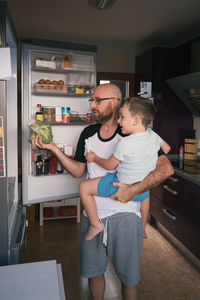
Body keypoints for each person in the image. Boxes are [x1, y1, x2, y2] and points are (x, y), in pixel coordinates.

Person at [32, 83, 174, 300]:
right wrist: (52, 148)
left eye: (98, 100)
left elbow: (165, 168)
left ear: (115, 103)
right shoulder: (88, 132)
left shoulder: (135, 134)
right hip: (93, 218)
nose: (92, 105)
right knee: (94, 273)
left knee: (129, 279)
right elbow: (78, 170)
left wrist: (132, 190)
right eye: (92, 100)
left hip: (125, 218)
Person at [79, 97, 171, 241]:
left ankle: (95, 224)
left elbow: (110, 165)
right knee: (146, 194)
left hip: (120, 188)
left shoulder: (125, 143)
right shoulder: (153, 136)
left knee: (84, 188)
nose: (119, 121)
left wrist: (93, 158)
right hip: (141, 193)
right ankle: (142, 228)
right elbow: (167, 148)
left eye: (122, 117)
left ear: (135, 120)